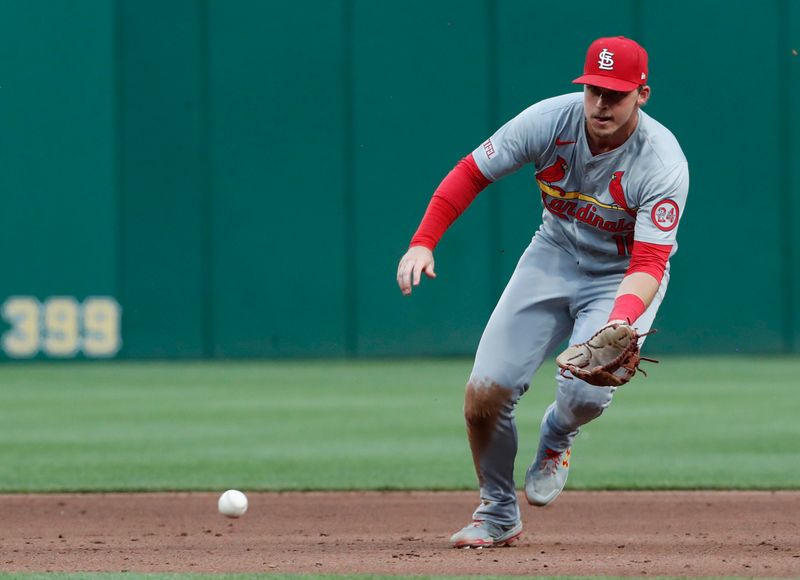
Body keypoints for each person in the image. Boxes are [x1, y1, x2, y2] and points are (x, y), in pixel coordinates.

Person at [396, 36, 688, 548]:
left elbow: (648, 262)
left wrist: (620, 319)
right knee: (485, 393)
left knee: (585, 393)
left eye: (616, 93)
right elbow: (471, 172)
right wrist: (423, 242)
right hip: (552, 255)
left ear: (642, 93)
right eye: (594, 89)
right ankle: (497, 513)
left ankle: (558, 435)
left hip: (621, 278)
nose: (601, 103)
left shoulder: (662, 163)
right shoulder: (549, 120)